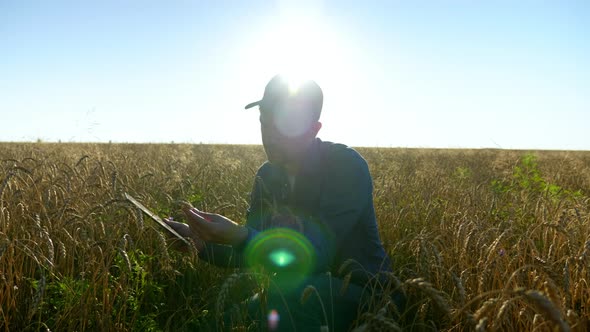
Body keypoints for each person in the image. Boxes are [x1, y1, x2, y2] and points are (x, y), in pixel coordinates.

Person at [165, 74, 395, 331]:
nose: (270, 136)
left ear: (313, 129)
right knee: (212, 325)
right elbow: (255, 252)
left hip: (365, 295)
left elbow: (315, 256)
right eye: (265, 122)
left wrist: (241, 236)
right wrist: (198, 244)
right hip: (292, 294)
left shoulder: (346, 167)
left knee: (288, 301)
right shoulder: (267, 176)